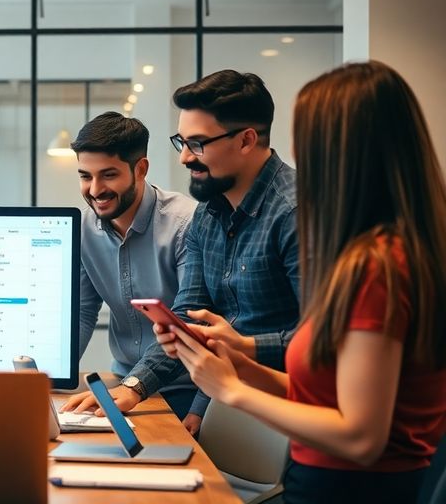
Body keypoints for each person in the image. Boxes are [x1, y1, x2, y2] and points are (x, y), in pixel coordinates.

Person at [158, 60, 446, 504]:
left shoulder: (378, 267)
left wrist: (231, 391)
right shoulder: (387, 253)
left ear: (345, 155)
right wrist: (243, 367)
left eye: (309, 142)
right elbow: (329, 399)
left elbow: (360, 436)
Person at [141, 70, 300, 435]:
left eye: (197, 143)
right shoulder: (207, 212)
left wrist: (244, 346)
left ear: (246, 140)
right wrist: (136, 388)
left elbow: (322, 340)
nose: (184, 158)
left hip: (294, 416)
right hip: (227, 402)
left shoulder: (295, 214)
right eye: (180, 142)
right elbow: (191, 314)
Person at [53, 112, 198, 419]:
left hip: (185, 390)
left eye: (108, 175)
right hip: (122, 385)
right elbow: (81, 314)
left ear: (140, 169)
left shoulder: (187, 224)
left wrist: (201, 410)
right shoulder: (85, 229)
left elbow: (191, 320)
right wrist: (48, 380)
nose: (94, 190)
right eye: (85, 176)